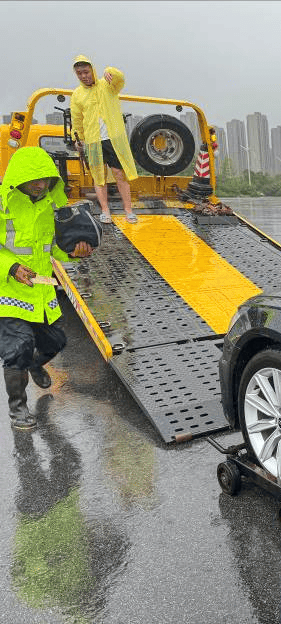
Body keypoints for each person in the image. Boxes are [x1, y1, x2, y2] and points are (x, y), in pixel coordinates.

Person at [0, 147, 93, 430]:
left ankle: (32, 363)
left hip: (39, 293)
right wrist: (12, 268)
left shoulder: (49, 206)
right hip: (9, 292)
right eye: (35, 179)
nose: (41, 185)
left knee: (56, 343)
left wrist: (75, 253)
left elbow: (52, 248)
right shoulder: (3, 204)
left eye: (46, 180)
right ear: (19, 178)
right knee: (18, 346)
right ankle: (18, 410)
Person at [70, 54, 139, 224]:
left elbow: (120, 80)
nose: (83, 76)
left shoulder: (107, 85)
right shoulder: (77, 95)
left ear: (92, 70)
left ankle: (128, 210)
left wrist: (111, 71)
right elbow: (77, 119)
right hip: (93, 141)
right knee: (98, 177)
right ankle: (105, 211)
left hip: (112, 139)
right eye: (79, 73)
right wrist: (76, 138)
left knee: (119, 174)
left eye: (86, 71)